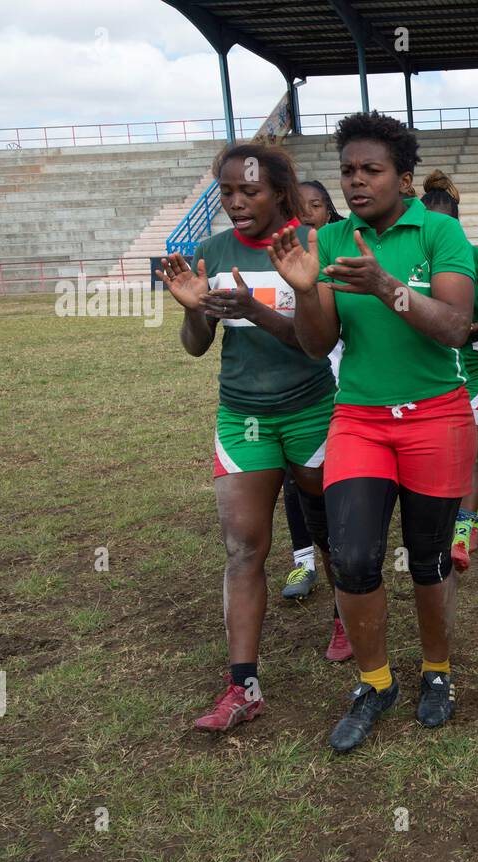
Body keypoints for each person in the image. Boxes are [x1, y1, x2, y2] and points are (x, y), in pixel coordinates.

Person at [268, 111, 478, 752]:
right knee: (354, 557)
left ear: (404, 179)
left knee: (429, 556)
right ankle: (376, 682)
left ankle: (437, 671)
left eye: (371, 171)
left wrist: (387, 286)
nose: (357, 182)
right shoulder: (329, 240)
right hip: (359, 418)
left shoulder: (441, 233)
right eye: (348, 171)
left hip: (435, 415)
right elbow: (316, 344)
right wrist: (307, 292)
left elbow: (453, 326)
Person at [157, 143, 337, 731]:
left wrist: (256, 309)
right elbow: (197, 345)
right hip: (243, 417)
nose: (236, 202)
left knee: (328, 528)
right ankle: (243, 686)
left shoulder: (308, 245)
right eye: (227, 191)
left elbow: (315, 343)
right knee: (243, 550)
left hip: (313, 410)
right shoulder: (210, 251)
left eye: (249, 191)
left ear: (279, 193)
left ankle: (344, 612)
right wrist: (193, 310)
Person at [419, 170, 478, 572]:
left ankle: (463, 531)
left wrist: (467, 329)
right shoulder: (415, 263)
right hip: (431, 370)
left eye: (445, 222)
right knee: (440, 455)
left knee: (469, 451)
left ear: (456, 220)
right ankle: (473, 522)